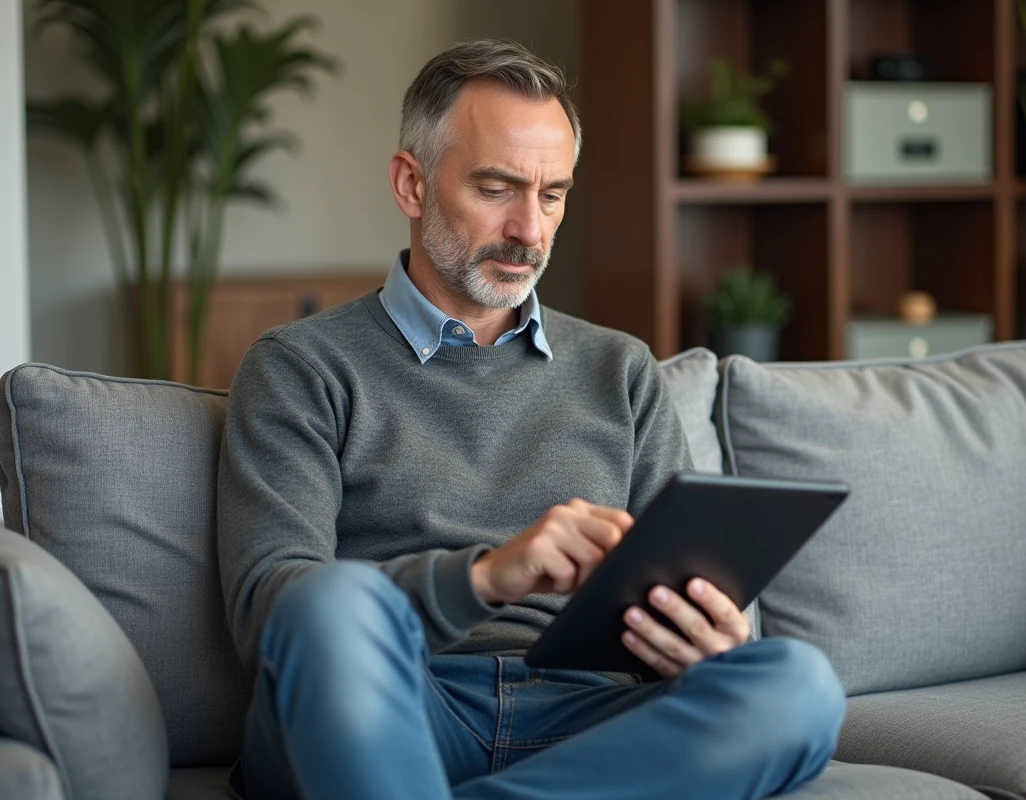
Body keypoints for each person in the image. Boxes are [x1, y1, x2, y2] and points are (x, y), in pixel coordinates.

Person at [217, 38, 845, 800]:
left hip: (593, 715)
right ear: (411, 184)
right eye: (496, 189)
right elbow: (272, 611)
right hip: (400, 704)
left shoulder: (621, 370)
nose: (531, 230)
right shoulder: (302, 365)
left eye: (552, 195)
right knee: (332, 601)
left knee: (794, 683)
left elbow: (702, 585)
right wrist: (487, 575)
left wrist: (712, 634)